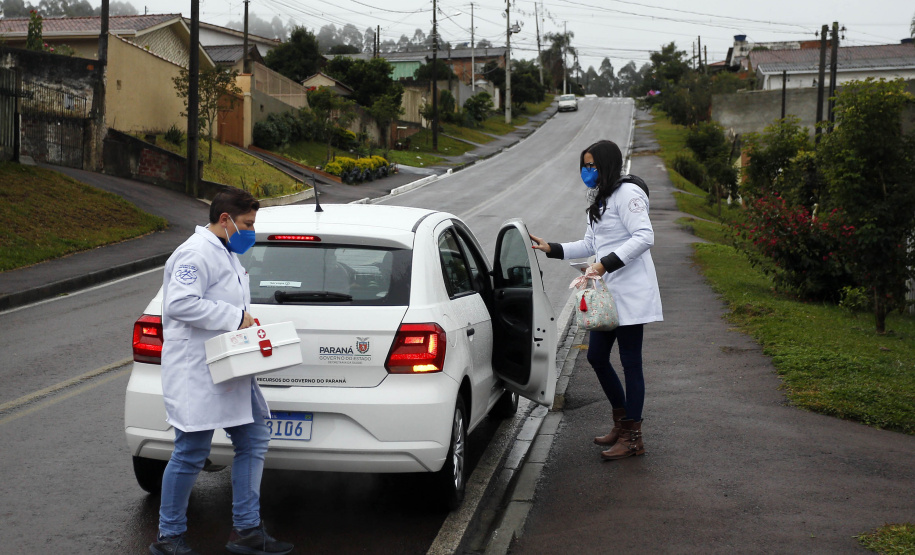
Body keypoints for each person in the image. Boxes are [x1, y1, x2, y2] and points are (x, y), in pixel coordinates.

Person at [151, 189, 293, 555]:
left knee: (254, 438)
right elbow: (181, 303)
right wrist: (234, 317)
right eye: (247, 224)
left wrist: (243, 320)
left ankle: (246, 530)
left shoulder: (225, 252)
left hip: (228, 367)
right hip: (196, 369)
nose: (251, 231)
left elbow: (225, 302)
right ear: (226, 219)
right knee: (191, 451)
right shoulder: (195, 253)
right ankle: (169, 538)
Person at [530, 139, 663, 461]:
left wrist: (606, 264)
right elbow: (591, 243)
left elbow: (645, 236)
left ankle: (634, 437)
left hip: (630, 293)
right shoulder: (601, 198)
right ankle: (622, 421)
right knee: (597, 358)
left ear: (607, 165)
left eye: (592, 166)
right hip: (607, 294)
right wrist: (553, 249)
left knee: (631, 363)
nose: (586, 171)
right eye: (584, 165)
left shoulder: (628, 194)